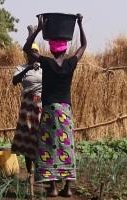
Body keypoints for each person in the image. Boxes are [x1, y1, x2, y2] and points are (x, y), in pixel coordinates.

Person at [23, 14, 87, 197]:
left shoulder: (46, 63)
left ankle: (52, 188)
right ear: (65, 49)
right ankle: (67, 188)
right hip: (65, 111)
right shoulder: (70, 64)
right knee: (67, 146)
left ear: (51, 49)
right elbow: (83, 46)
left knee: (49, 147)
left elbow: (26, 48)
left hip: (50, 111)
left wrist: (39, 29)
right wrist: (80, 25)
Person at [11, 25, 42, 196]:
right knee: (26, 138)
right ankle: (29, 171)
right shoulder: (21, 68)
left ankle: (39, 171)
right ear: (27, 54)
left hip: (40, 106)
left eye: (35, 52)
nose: (32, 55)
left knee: (39, 137)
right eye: (30, 53)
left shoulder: (44, 68)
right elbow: (14, 81)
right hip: (27, 107)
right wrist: (29, 68)